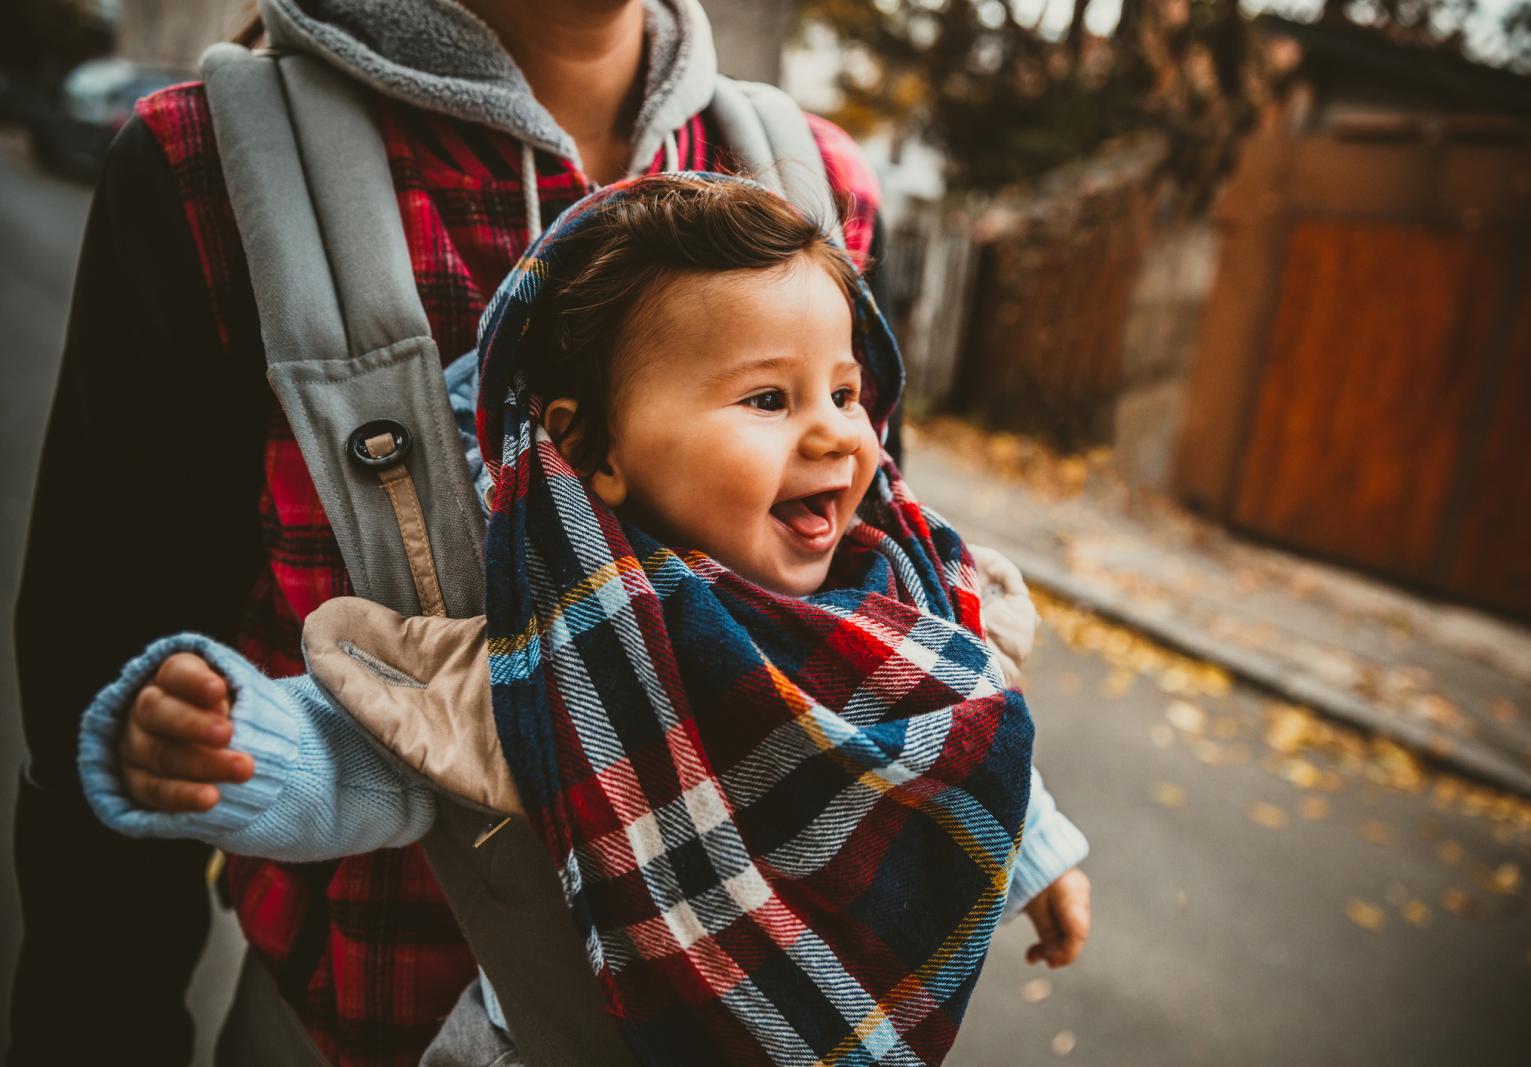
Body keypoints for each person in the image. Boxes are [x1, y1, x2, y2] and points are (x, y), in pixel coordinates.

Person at [12, 0, 1085, 1061]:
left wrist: (1029, 838)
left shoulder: (817, 182)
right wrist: (227, 742)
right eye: (768, 399)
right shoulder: (214, 165)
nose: (838, 432)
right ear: (575, 437)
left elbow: (888, 650)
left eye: (846, 395)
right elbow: (190, 718)